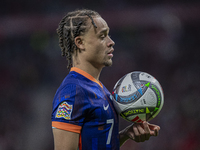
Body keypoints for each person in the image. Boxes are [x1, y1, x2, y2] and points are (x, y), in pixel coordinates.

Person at [51, 9, 160, 150]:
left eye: (108, 35)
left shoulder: (99, 88)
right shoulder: (73, 91)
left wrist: (125, 135)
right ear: (80, 42)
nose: (111, 42)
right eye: (102, 36)